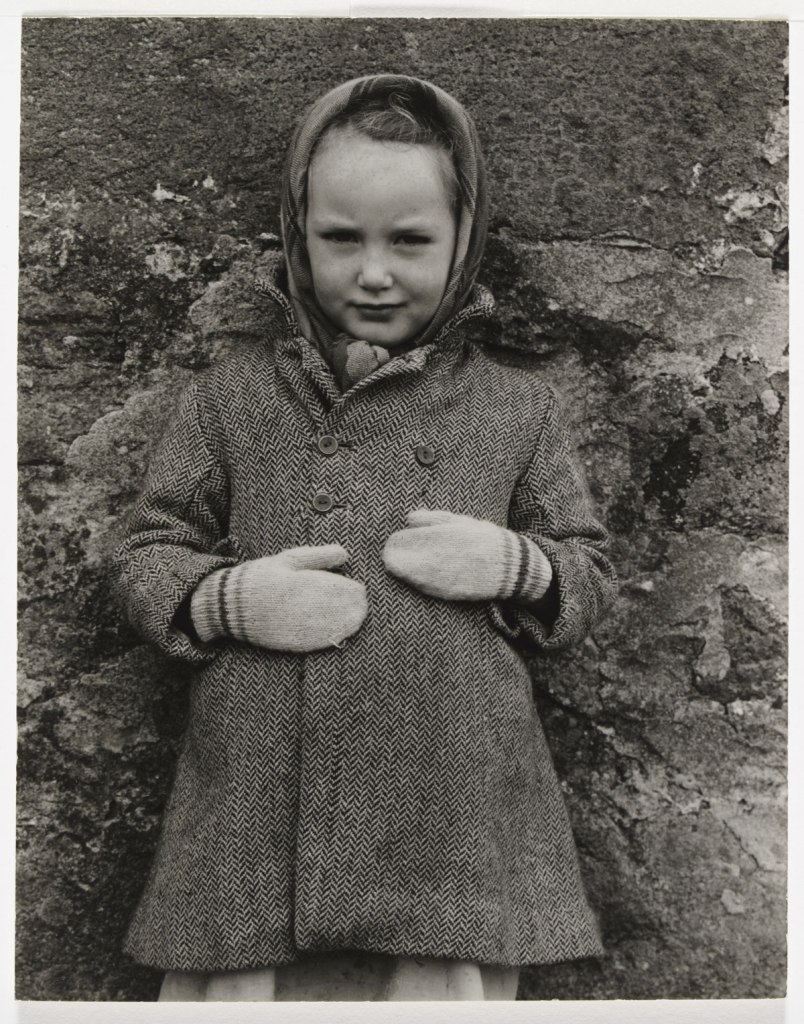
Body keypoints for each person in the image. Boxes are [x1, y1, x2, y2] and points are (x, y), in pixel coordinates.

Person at [112, 73, 618, 1002]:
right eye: (342, 238)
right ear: (298, 233)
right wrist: (225, 598)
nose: (374, 271)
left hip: (450, 800)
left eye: (411, 241)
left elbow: (589, 572)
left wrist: (517, 565)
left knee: (440, 991)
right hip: (257, 800)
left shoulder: (518, 410)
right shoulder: (230, 399)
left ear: (462, 239)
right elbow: (147, 550)